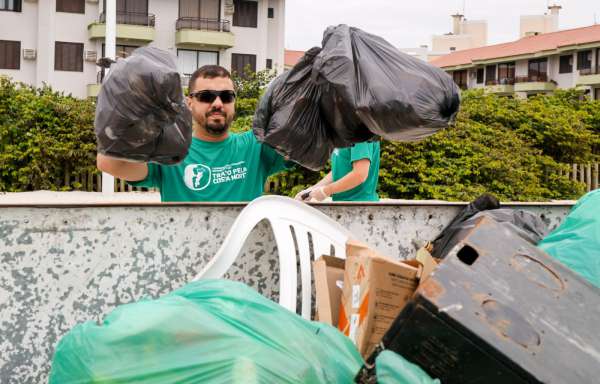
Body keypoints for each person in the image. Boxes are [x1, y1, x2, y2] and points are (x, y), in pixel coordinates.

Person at [96, 65, 289, 202]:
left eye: (226, 96)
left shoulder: (255, 146)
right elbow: (109, 163)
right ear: (189, 103)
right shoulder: (169, 151)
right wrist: (132, 107)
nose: (218, 104)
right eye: (206, 96)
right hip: (186, 255)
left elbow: (309, 146)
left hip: (247, 256)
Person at [295, 141, 380, 202]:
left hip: (360, 206)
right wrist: (314, 188)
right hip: (345, 205)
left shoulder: (360, 133)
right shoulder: (343, 133)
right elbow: (339, 171)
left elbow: (360, 174)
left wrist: (326, 191)